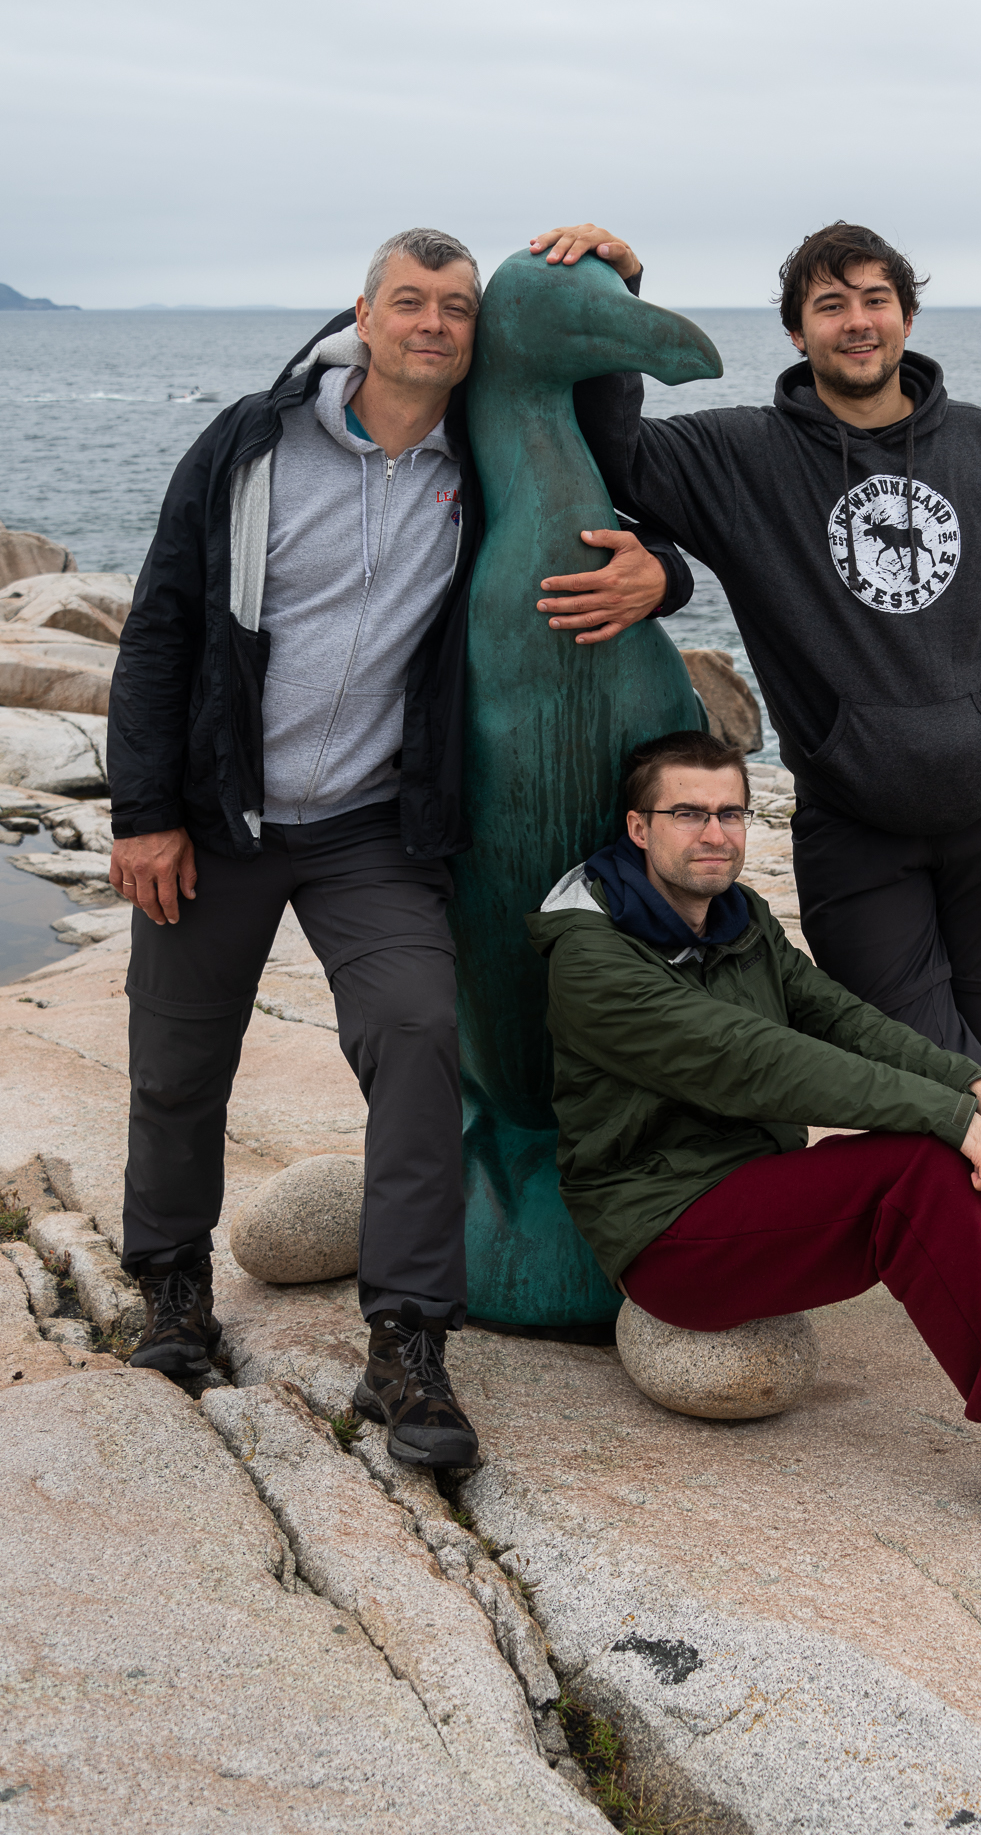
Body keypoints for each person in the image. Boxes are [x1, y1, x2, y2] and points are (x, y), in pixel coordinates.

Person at [107, 222, 679, 1467]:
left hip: (372, 827)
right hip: (221, 815)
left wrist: (665, 570)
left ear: (477, 333)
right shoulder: (251, 445)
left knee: (420, 1037)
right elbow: (161, 625)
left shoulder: (476, 457)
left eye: (457, 307)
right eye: (409, 301)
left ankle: (409, 1348)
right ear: (360, 316)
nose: (433, 323)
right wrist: (142, 810)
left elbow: (602, 472)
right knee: (177, 1059)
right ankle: (172, 1291)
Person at [530, 219, 981, 1302]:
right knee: (913, 1051)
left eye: (873, 296)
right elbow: (611, 452)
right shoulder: (743, 456)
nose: (856, 319)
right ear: (798, 329)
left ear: (904, 312)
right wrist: (625, 288)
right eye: (828, 303)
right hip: (856, 819)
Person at [527, 731, 981, 1565]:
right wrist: (943, 1115)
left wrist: (976, 1088)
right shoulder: (591, 958)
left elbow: (838, 1017)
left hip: (756, 1192)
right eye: (687, 813)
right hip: (668, 1232)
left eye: (730, 812)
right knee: (924, 1161)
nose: (714, 832)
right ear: (639, 828)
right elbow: (755, 1061)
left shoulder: (738, 919)